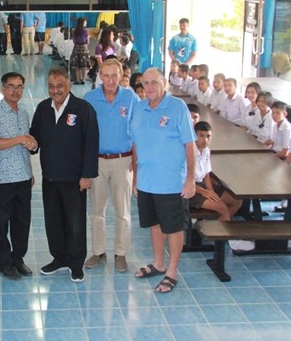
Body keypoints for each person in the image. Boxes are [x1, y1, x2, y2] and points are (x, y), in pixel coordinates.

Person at [30, 67, 99, 283]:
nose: (55, 90)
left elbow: (91, 143)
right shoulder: (43, 108)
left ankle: (76, 263)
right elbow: (35, 135)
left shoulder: (83, 109)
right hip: (50, 177)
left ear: (68, 85)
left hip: (74, 179)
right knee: (53, 221)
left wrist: (87, 175)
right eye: (51, 86)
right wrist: (31, 144)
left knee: (75, 222)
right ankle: (59, 258)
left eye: (60, 85)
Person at [129, 68, 195, 293]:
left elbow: (190, 144)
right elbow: (136, 143)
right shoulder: (138, 108)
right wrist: (136, 176)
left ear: (164, 83)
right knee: (154, 224)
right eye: (145, 83)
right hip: (147, 181)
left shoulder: (178, 108)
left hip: (171, 183)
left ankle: (172, 271)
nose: (149, 87)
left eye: (154, 83)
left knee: (174, 227)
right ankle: (158, 263)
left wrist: (190, 179)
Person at [83, 60, 139, 273]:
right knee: (97, 211)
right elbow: (83, 134)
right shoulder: (90, 99)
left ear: (121, 75)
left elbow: (136, 131)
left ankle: (121, 253)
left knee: (123, 211)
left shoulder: (130, 97)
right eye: (105, 75)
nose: (110, 80)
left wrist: (135, 158)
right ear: (99, 76)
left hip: (123, 160)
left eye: (114, 75)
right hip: (96, 161)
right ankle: (98, 251)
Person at [0, 72, 36, 280]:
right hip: (3, 178)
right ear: (3, 88)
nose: (16, 91)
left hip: (23, 176)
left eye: (20, 86)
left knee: (22, 222)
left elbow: (26, 144)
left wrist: (30, 170)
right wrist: (20, 138)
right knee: (1, 224)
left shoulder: (23, 113)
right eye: (11, 86)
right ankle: (3, 263)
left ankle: (18, 259)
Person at [190, 121, 242, 221]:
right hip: (191, 190)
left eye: (208, 136)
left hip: (201, 185)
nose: (205, 140)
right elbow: (183, 182)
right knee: (222, 208)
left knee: (236, 201)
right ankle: (223, 235)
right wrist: (204, 192)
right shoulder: (188, 151)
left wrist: (211, 191)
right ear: (194, 135)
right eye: (201, 136)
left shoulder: (206, 150)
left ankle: (215, 229)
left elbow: (206, 174)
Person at [69, 17, 91, 85]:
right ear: (82, 23)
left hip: (76, 48)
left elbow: (73, 41)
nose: (86, 23)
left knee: (77, 65)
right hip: (84, 48)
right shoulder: (86, 31)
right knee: (84, 65)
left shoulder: (74, 31)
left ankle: (77, 80)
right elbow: (87, 41)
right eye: (85, 22)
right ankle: (83, 79)